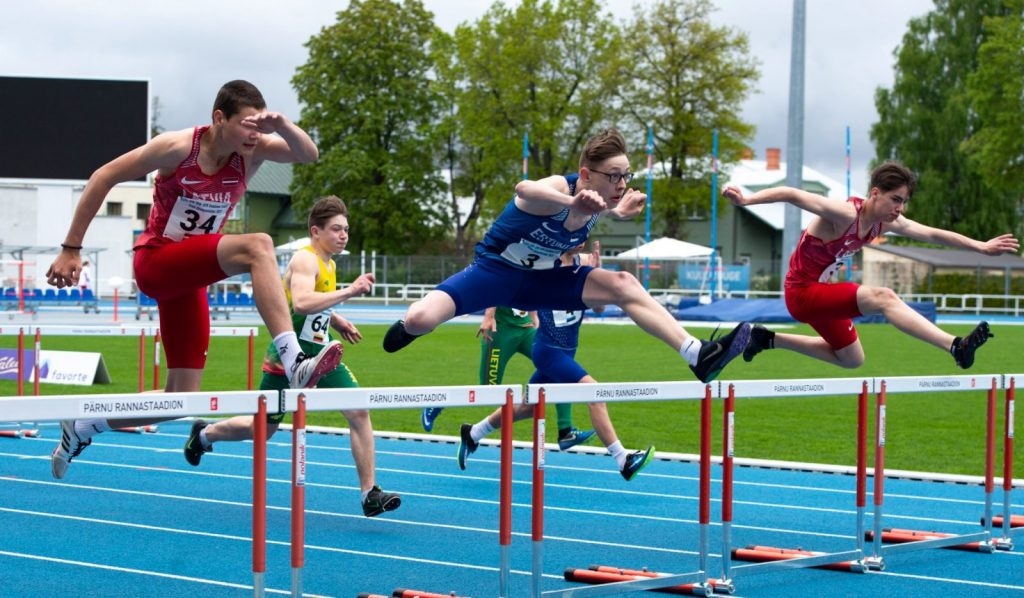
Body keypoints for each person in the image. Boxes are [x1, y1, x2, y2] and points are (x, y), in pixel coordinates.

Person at [45, 80, 342, 479]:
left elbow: (309, 154)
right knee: (258, 245)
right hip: (157, 262)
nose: (255, 135)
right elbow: (103, 176)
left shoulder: (250, 151)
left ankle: (83, 425)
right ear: (219, 118)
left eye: (260, 127)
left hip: (189, 279)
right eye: (247, 126)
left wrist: (284, 124)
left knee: (181, 399)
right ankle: (295, 360)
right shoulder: (178, 147)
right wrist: (71, 247)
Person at [383, 127, 751, 384]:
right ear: (585, 175)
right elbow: (523, 189)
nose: (621, 185)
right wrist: (572, 201)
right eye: (613, 176)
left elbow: (593, 210)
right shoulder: (563, 187)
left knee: (624, 283)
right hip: (494, 272)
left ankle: (695, 354)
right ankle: (408, 328)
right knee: (420, 318)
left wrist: (615, 211)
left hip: (542, 281)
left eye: (626, 176)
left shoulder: (601, 201)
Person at [184, 196, 400, 517]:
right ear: (316, 231)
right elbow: (300, 302)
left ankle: (370, 493)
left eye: (346, 230)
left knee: (359, 411)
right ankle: (204, 434)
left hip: (323, 356)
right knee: (264, 430)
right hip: (288, 360)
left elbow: (313, 303)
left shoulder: (329, 262)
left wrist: (336, 321)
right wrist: (350, 292)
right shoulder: (305, 259)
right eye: (337, 229)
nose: (344, 235)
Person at [723, 160, 1020, 369]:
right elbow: (792, 194)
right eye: (895, 200)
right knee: (884, 297)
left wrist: (980, 246)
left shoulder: (885, 223)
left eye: (904, 202)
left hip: (819, 295)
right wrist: (747, 200)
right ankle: (956, 346)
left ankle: (764, 338)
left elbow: (931, 233)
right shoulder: (844, 214)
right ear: (875, 193)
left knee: (852, 359)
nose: (900, 209)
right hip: (801, 292)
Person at [458, 243, 654, 480]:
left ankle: (473, 433)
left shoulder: (583, 268)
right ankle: (622, 459)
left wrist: (601, 276)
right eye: (574, 235)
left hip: (566, 351)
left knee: (529, 407)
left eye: (582, 235)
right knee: (594, 392)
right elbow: (504, 281)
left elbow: (600, 308)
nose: (580, 240)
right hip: (548, 351)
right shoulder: (544, 268)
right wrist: (490, 314)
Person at [419, 305, 595, 451]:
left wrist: (534, 318)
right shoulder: (509, 262)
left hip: (526, 330)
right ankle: (439, 401)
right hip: (501, 331)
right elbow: (497, 283)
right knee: (488, 393)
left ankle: (566, 431)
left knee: (557, 368)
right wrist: (489, 315)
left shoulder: (536, 263)